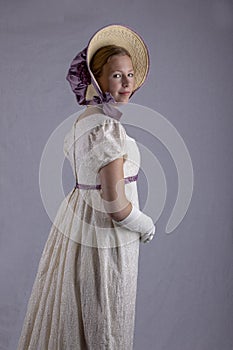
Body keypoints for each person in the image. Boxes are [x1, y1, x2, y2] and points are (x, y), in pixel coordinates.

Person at [17, 24, 156, 350]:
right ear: (97, 78)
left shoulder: (85, 120)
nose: (126, 83)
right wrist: (143, 223)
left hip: (79, 225)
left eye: (130, 75)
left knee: (80, 313)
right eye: (117, 75)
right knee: (106, 320)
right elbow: (115, 203)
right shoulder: (107, 127)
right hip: (106, 237)